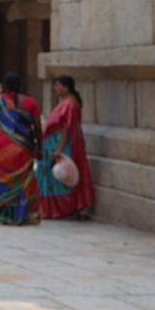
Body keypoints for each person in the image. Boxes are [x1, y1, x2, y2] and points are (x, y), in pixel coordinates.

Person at [0, 72, 42, 226]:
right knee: (23, 181)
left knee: (1, 180)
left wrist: (5, 125)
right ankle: (23, 215)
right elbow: (37, 127)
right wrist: (40, 147)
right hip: (23, 146)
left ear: (3, 85)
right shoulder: (30, 102)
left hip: (1, 147)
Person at [36, 75, 94, 219]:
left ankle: (62, 209)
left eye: (57, 85)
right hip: (53, 143)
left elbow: (67, 129)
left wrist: (59, 149)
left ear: (66, 87)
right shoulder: (66, 102)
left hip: (60, 145)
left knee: (59, 176)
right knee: (51, 176)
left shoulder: (70, 105)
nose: (55, 88)